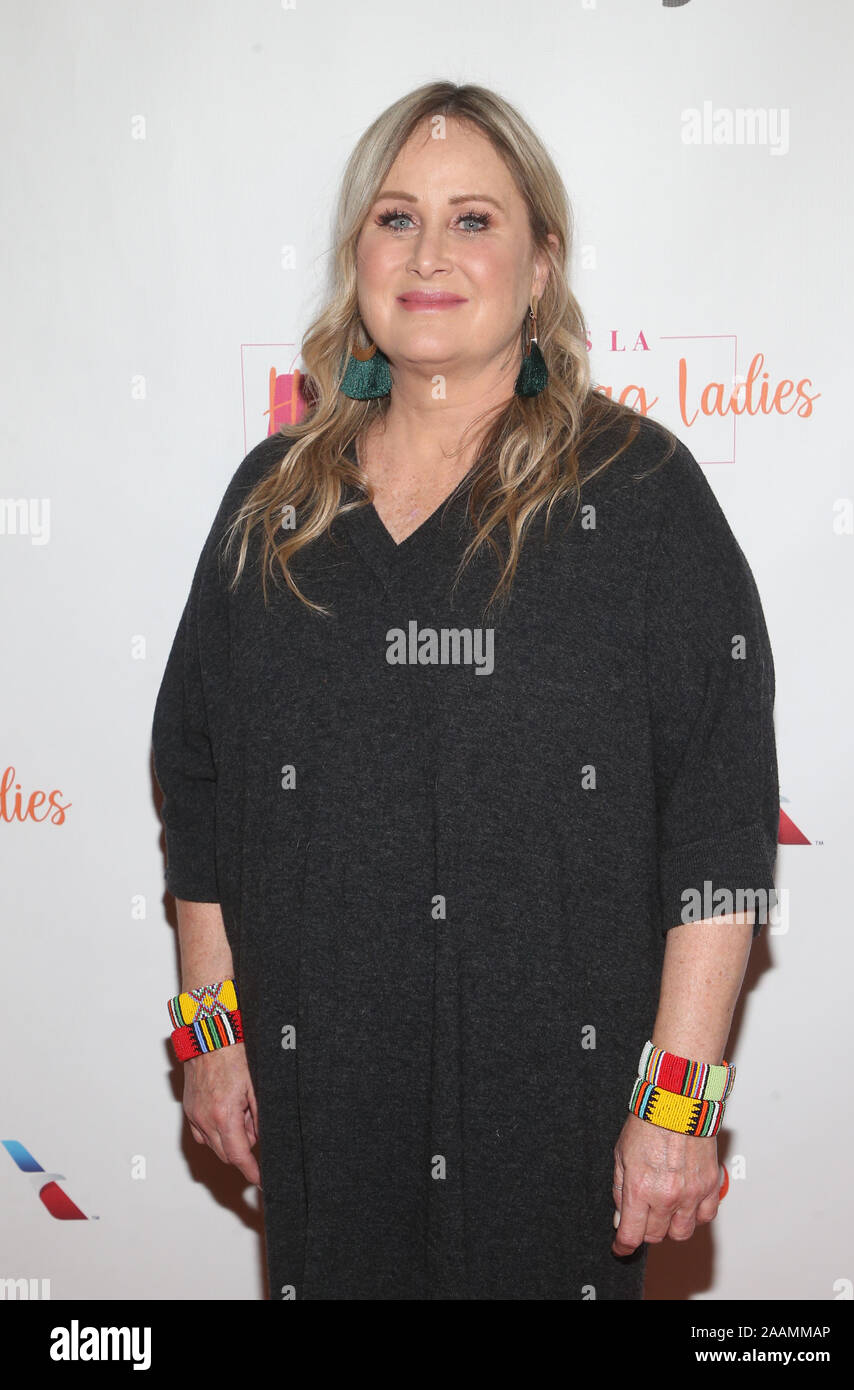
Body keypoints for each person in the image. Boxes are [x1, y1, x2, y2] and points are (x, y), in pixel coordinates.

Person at [151, 80, 779, 1301]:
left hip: (562, 1124)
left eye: (473, 220)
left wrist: (678, 1103)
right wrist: (211, 1034)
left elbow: (719, 817)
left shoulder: (640, 494)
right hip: (324, 1112)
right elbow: (199, 783)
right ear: (356, 256)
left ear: (540, 262)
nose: (429, 253)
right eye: (395, 218)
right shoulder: (273, 501)